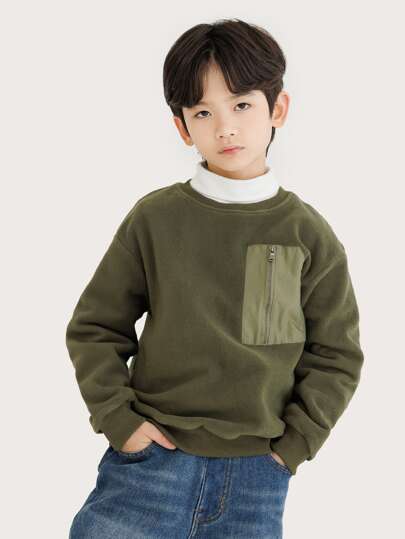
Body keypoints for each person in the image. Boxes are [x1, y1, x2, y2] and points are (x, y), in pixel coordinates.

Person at [66, 18, 364, 539]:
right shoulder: (154, 220)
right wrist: (121, 423)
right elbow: (95, 328)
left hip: (256, 478)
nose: (225, 127)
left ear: (277, 109)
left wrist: (292, 448)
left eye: (242, 105)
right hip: (148, 467)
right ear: (182, 128)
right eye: (203, 112)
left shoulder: (308, 234)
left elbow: (336, 355)